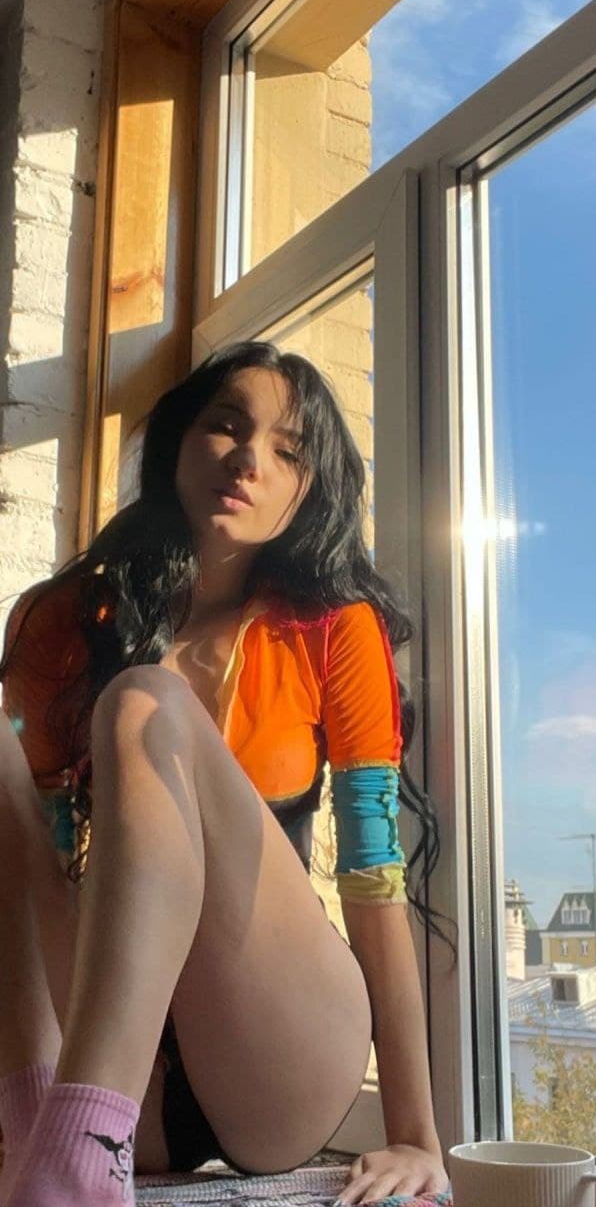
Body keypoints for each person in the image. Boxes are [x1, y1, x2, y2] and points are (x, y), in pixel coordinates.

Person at [0, 342, 448, 1207]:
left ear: (307, 491)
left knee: (144, 703)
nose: (249, 460)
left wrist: (416, 1137)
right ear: (178, 442)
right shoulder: (67, 622)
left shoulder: (333, 627)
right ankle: (43, 1127)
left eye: (288, 451)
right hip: (124, 1061)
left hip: (276, 1054)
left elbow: (374, 883)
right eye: (227, 426)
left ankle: (76, 1144)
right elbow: (33, 875)